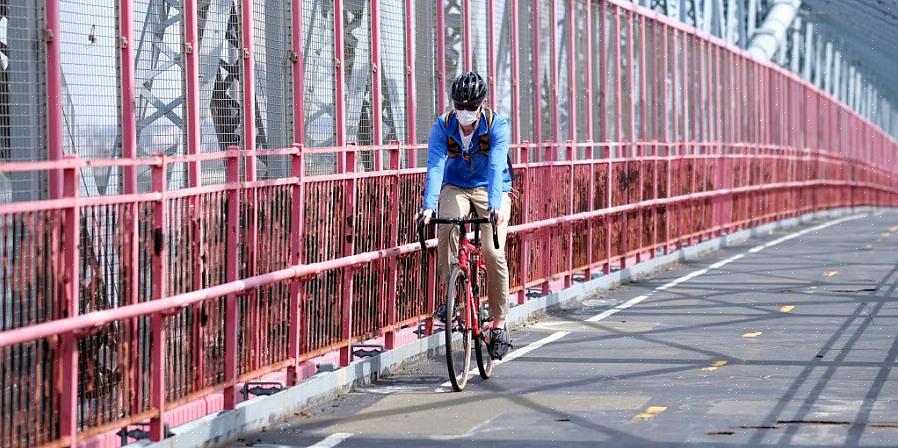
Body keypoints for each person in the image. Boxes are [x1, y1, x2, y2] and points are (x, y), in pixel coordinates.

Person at [418, 71, 513, 359]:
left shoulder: (498, 125)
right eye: (460, 106)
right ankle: (452, 295)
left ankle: (499, 324)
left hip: (490, 189)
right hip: (456, 186)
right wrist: (428, 207)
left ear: (482, 104)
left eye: (471, 107)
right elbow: (435, 166)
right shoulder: (443, 126)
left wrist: (496, 204)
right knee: (445, 226)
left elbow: (497, 167)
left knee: (492, 251)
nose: (465, 112)